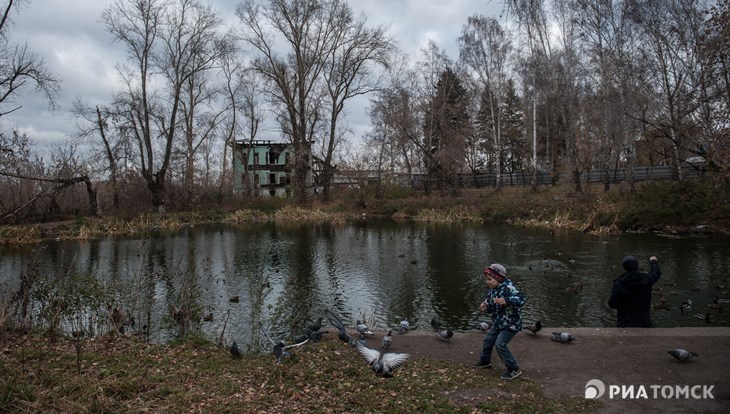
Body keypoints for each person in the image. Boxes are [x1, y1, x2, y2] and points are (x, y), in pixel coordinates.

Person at [473, 263, 526, 380]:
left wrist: (506, 301)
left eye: (489, 279)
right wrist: (485, 307)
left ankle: (514, 369)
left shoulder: (509, 289)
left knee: (500, 344)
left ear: (498, 279)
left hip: (511, 324)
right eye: (487, 279)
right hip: (499, 323)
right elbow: (492, 308)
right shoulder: (492, 292)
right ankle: (485, 361)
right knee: (488, 340)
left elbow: (521, 300)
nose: (487, 282)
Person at [608, 255, 661, 327]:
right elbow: (656, 273)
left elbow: (612, 304)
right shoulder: (646, 280)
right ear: (637, 266)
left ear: (624, 268)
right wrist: (653, 262)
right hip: (645, 325)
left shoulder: (619, 284)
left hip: (624, 325)